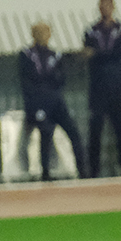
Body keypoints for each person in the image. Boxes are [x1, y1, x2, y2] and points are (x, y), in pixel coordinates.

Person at [20, 23, 88, 180]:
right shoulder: (27, 55)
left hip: (56, 100)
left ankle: (83, 169)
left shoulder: (54, 55)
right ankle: (45, 172)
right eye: (39, 32)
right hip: (39, 101)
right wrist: (32, 107)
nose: (43, 35)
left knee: (73, 132)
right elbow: (27, 82)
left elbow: (60, 77)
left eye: (45, 32)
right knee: (45, 134)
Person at [84, 0, 121, 177]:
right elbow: (110, 54)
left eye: (108, 5)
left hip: (117, 87)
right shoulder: (91, 31)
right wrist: (110, 56)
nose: (105, 8)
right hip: (98, 88)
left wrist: (98, 54)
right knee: (95, 131)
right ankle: (93, 171)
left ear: (113, 7)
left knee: (120, 130)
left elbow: (117, 50)